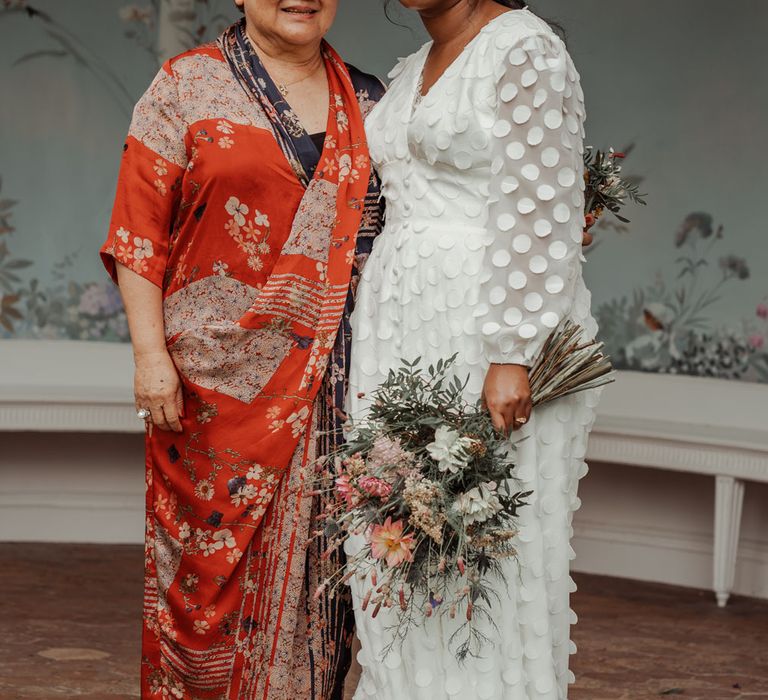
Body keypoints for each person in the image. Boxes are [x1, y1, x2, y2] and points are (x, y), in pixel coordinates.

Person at [99, 1, 386, 697]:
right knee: (202, 590)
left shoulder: (376, 101)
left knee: (326, 593)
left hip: (344, 387)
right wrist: (148, 358)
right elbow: (139, 235)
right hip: (208, 395)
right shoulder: (184, 86)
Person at [344, 0, 601, 698]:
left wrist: (512, 350)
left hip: (484, 333)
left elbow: (540, 205)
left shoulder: (525, 49)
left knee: (485, 553)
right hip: (399, 329)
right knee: (399, 543)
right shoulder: (408, 69)